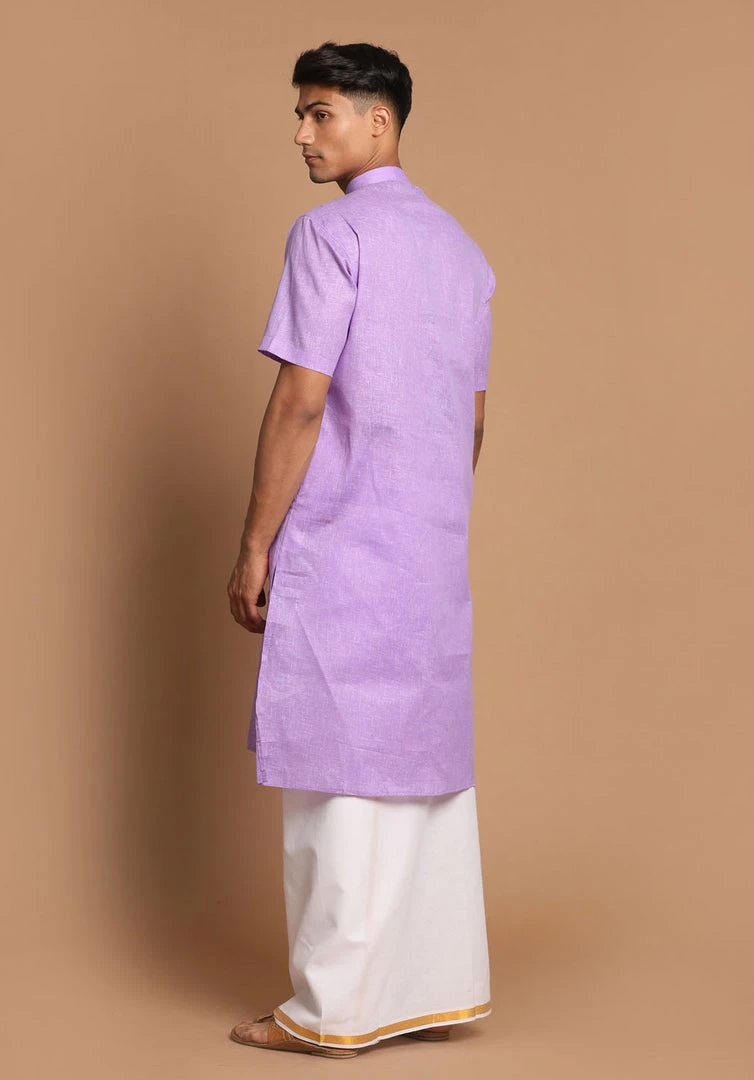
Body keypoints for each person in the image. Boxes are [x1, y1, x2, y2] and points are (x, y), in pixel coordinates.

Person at [227, 40, 496, 1058]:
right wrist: (428, 511)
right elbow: (474, 418)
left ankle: (331, 1012)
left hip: (344, 538)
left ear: (379, 121)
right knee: (419, 770)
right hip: (429, 546)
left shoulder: (329, 233)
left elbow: (301, 401)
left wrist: (257, 543)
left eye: (321, 113)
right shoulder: (462, 251)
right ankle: (430, 991)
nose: (302, 134)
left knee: (336, 776)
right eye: (301, 115)